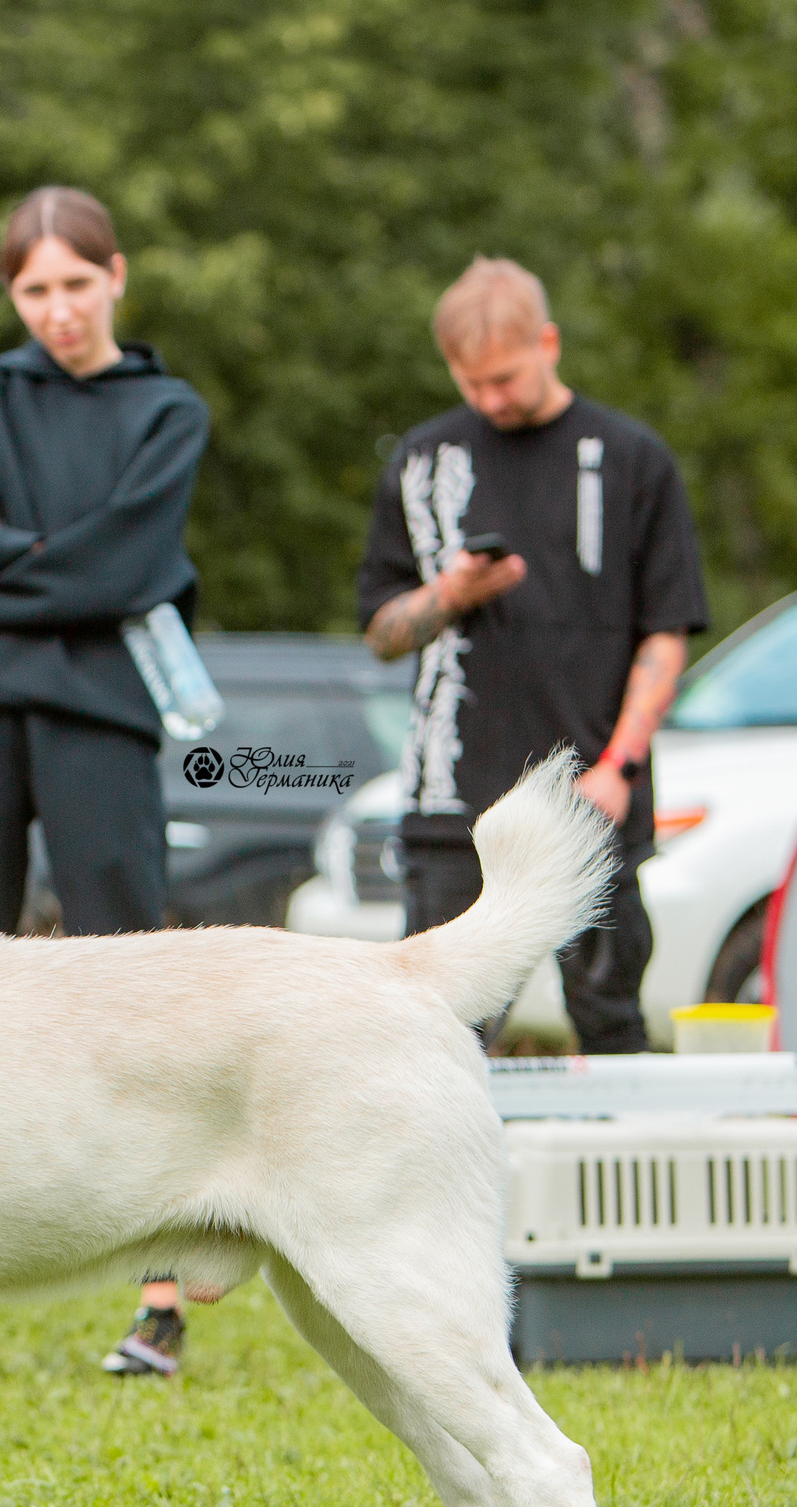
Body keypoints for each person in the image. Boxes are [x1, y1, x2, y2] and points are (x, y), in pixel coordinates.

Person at [0, 186, 207, 1383]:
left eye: (75, 283)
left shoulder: (167, 412)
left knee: (135, 987)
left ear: (118, 275)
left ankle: (159, 1298)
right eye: (33, 289)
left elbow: (127, 571)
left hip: (103, 717)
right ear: (12, 293)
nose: (57, 310)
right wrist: (51, 564)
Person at [359, 257, 708, 1051]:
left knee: (609, 1013)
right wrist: (451, 595)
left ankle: (619, 1176)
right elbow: (381, 630)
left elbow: (666, 629)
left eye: (506, 377)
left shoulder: (632, 459)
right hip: (454, 800)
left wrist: (620, 765)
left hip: (589, 791)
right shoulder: (422, 462)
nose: (489, 399)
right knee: (441, 1035)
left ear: (547, 342)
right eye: (471, 382)